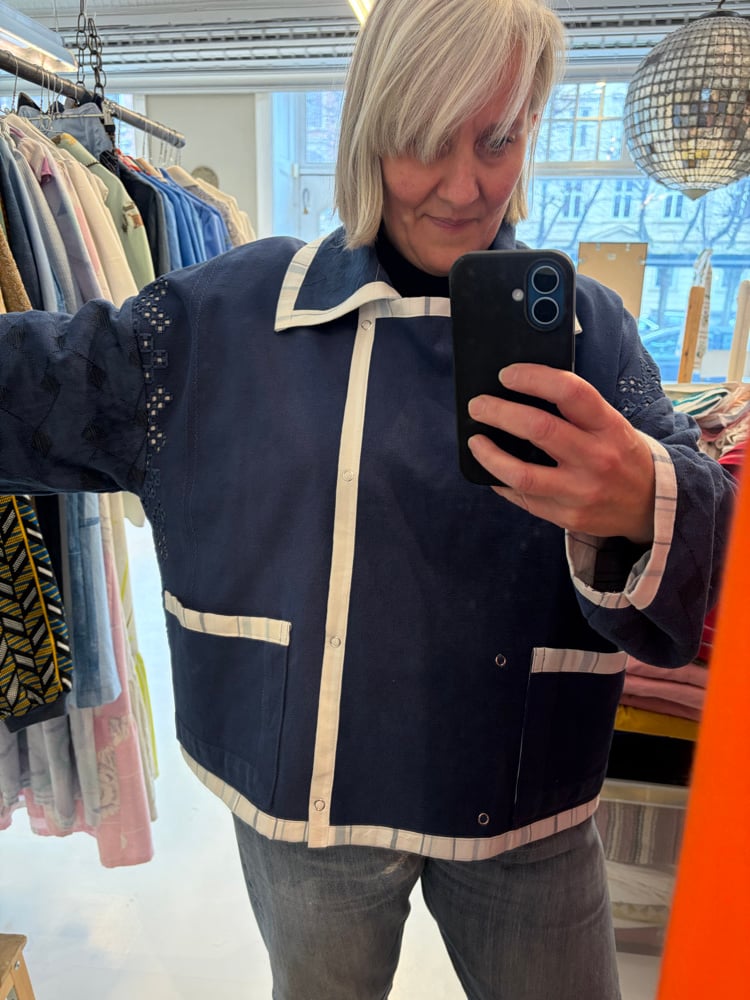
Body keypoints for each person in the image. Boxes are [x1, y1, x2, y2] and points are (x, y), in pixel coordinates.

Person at [0, 0, 736, 997]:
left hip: (527, 801)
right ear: (368, 129)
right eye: (424, 139)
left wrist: (643, 498)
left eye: (498, 138)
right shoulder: (228, 316)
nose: (465, 187)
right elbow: (42, 384)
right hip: (309, 812)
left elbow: (709, 525)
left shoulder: (590, 334)